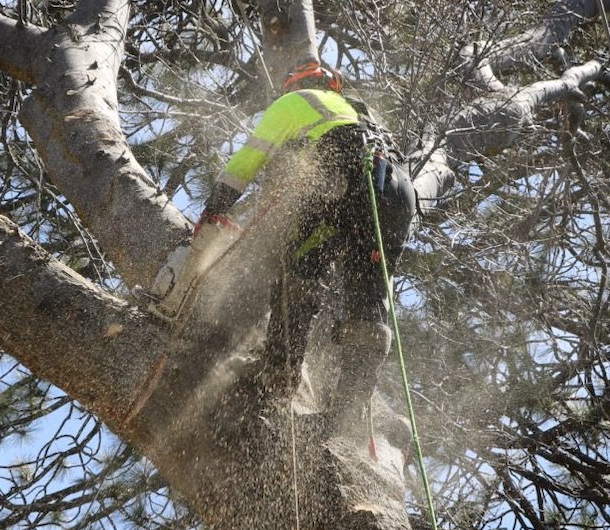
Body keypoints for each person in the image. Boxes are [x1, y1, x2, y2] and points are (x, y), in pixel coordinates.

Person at [150, 61, 418, 429]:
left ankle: (279, 372)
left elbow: (246, 162)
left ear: (297, 84)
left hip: (345, 178)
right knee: (367, 303)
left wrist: (214, 211)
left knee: (300, 272)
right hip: (399, 195)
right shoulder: (360, 112)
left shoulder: (295, 101)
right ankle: (345, 415)